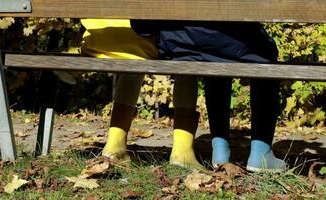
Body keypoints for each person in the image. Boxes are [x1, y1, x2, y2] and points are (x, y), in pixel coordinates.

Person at [132, 20, 287, 172]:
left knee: (215, 57)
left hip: (177, 45)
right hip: (229, 42)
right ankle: (261, 155)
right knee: (266, 54)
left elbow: (141, 26)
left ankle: (220, 152)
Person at [80, 19, 158, 161]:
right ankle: (116, 144)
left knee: (134, 64)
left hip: (95, 43)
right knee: (136, 65)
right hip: (140, 47)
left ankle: (116, 144)